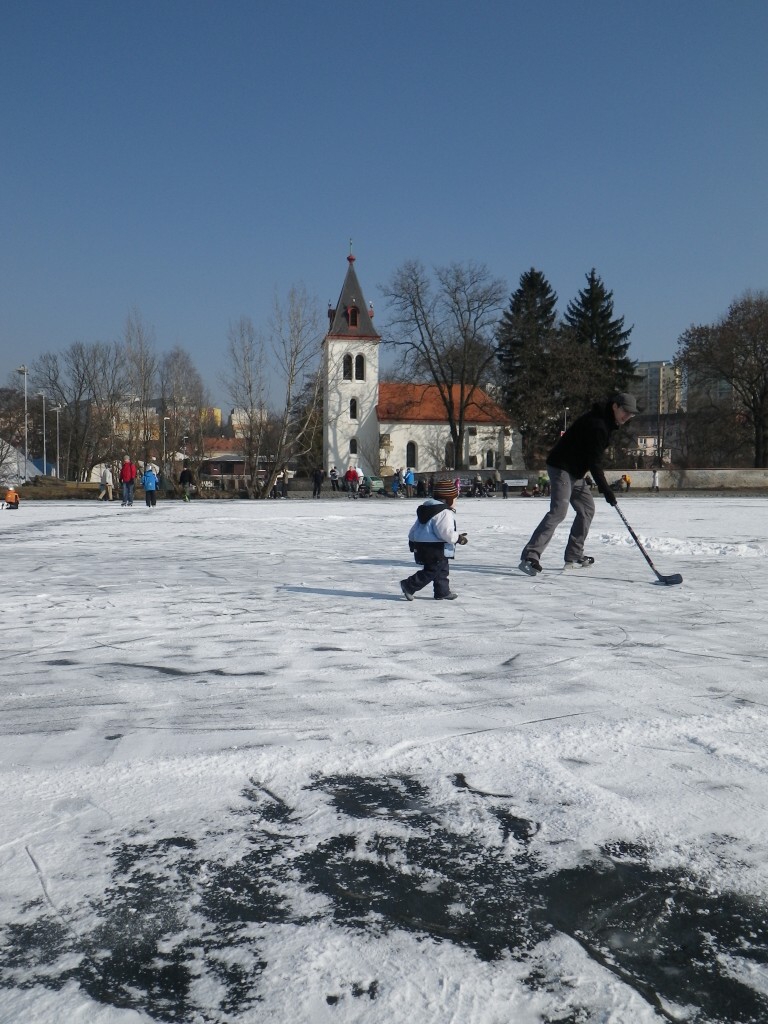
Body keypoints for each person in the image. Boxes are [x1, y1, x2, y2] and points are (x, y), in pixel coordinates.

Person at [519, 392, 638, 575]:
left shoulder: (606, 423)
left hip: (575, 472)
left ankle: (574, 555)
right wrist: (606, 490)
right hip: (561, 467)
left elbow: (591, 459)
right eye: (626, 411)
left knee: (587, 509)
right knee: (559, 511)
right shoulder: (598, 425)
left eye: (631, 414)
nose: (628, 416)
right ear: (615, 406)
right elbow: (594, 462)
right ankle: (530, 555)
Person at [400, 477, 468, 601]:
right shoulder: (444, 512)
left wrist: (412, 541)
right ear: (448, 499)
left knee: (442, 568)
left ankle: (442, 591)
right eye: (455, 499)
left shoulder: (427, 510)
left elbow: (415, 529)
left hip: (422, 545)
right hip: (434, 547)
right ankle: (409, 585)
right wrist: (458, 538)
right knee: (432, 570)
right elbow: (445, 532)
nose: (455, 502)